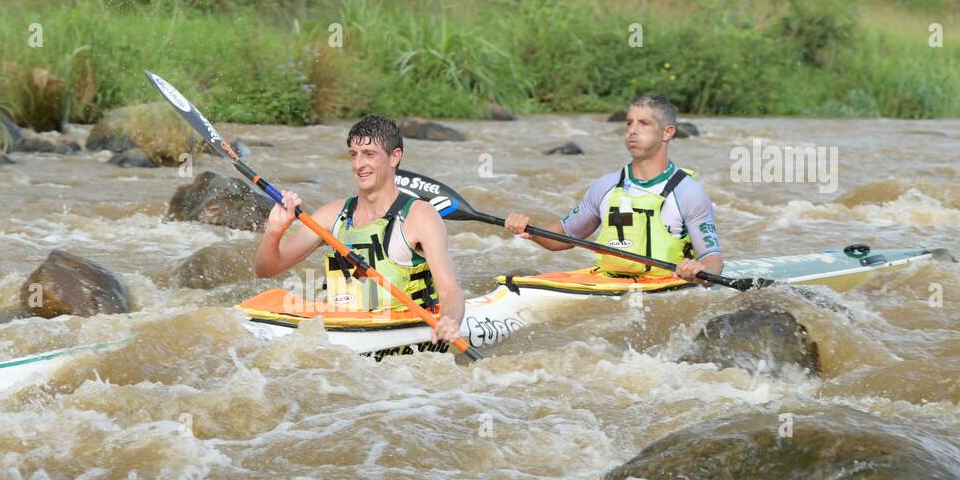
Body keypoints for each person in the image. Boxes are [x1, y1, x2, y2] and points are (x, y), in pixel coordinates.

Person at [253, 115, 464, 344]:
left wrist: (449, 321)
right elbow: (265, 270)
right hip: (344, 329)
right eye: (354, 155)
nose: (358, 164)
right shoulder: (331, 215)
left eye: (369, 154)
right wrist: (274, 231)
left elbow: (450, 291)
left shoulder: (420, 216)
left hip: (405, 327)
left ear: (394, 157)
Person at [505, 93, 723, 282]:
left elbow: (712, 260)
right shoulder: (606, 186)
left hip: (664, 283)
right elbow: (564, 235)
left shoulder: (688, 192)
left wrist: (698, 270)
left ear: (668, 132)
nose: (632, 131)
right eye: (629, 123)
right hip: (609, 281)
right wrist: (531, 230)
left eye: (643, 123)